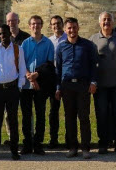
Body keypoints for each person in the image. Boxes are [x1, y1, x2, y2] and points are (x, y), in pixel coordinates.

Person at [55, 17, 98, 159]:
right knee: (69, 118)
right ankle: (72, 147)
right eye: (69, 28)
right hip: (67, 85)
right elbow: (58, 69)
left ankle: (86, 148)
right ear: (65, 29)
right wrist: (58, 87)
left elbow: (93, 66)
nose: (72, 30)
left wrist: (93, 82)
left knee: (84, 117)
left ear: (78, 28)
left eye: (74, 27)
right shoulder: (61, 47)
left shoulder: (87, 45)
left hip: (83, 85)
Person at [89, 11, 116, 154]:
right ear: (99, 22)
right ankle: (103, 142)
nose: (106, 22)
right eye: (104, 20)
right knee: (101, 114)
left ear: (112, 22)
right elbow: (89, 63)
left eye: (109, 20)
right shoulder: (93, 39)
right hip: (100, 86)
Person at [0, 24, 26, 160]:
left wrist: (19, 87)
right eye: (0, 34)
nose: (2, 36)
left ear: (10, 33)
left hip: (13, 89)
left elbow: (22, 69)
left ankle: (14, 151)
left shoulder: (17, 49)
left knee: (13, 120)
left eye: (4, 33)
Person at [21, 15, 55, 155]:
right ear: (29, 26)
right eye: (33, 24)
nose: (36, 26)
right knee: (26, 115)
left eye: (38, 24)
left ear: (42, 25)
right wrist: (30, 76)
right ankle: (27, 143)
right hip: (26, 85)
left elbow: (49, 64)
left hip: (41, 84)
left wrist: (37, 75)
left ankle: (38, 144)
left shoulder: (48, 44)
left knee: (40, 115)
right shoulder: (25, 43)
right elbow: (21, 63)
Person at [47, 15, 67, 148]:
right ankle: (53, 138)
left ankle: (69, 139)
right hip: (53, 78)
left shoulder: (69, 38)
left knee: (69, 110)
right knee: (54, 110)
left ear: (62, 24)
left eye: (58, 23)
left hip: (66, 78)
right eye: (53, 24)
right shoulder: (49, 41)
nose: (56, 26)